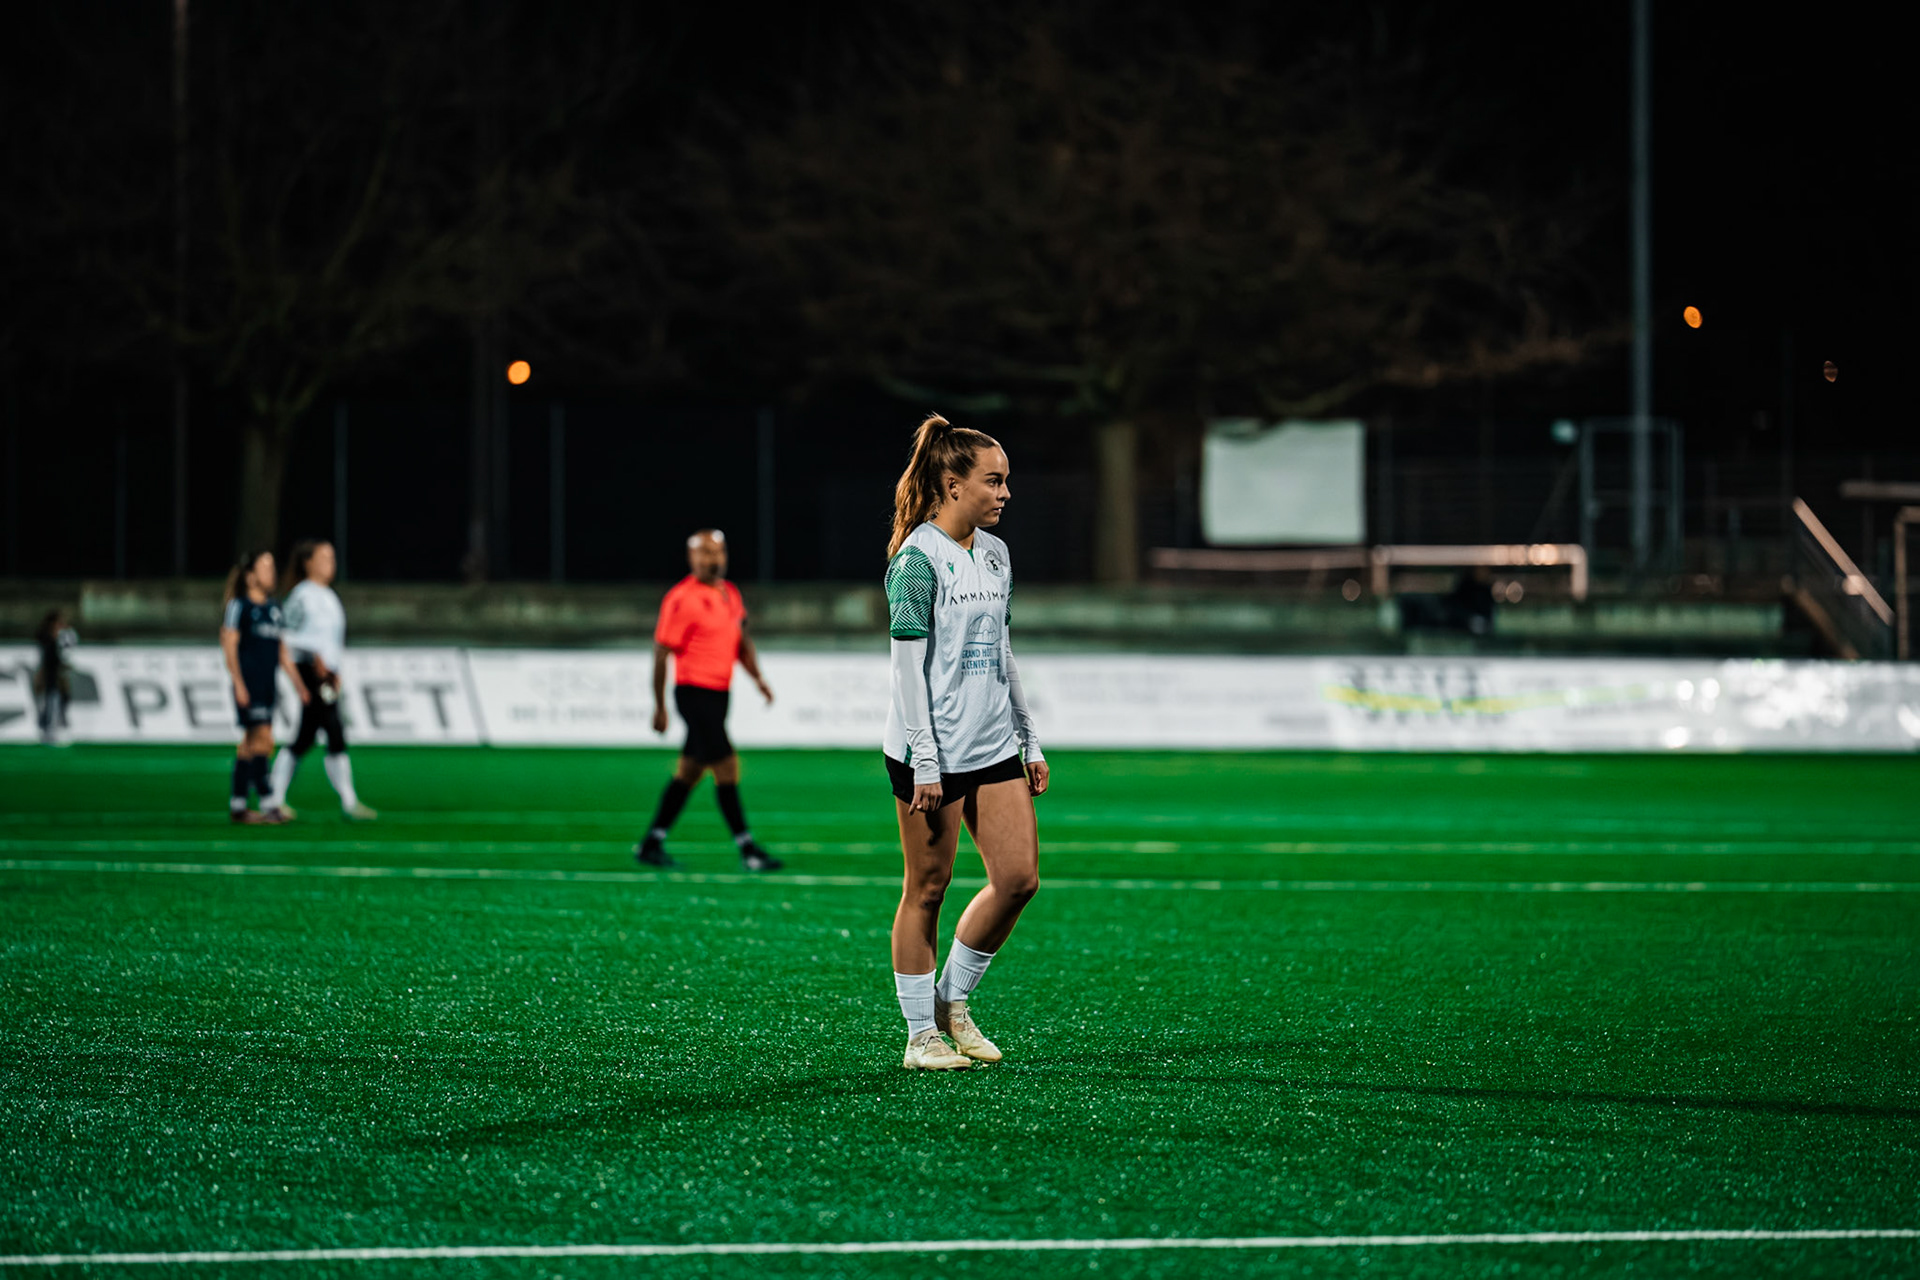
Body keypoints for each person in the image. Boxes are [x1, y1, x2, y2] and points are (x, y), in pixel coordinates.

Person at [883, 414, 1047, 1071]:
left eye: (1007, 481)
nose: (1005, 493)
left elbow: (1002, 652)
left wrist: (1028, 739)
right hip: (932, 753)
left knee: (1018, 880)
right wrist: (925, 759)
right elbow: (906, 674)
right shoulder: (917, 561)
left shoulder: (998, 553)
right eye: (994, 481)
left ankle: (952, 1002)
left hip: (992, 746)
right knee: (927, 887)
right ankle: (921, 1036)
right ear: (953, 486)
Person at [632, 529, 782, 872]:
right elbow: (661, 653)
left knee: (689, 771)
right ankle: (748, 849)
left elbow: (741, 643)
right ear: (691, 558)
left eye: (716, 552)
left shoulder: (730, 594)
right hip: (693, 693)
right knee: (727, 766)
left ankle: (651, 842)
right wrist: (659, 705)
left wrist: (758, 679)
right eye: (703, 553)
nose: (711, 559)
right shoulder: (681, 598)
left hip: (719, 694)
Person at [268, 539, 377, 820]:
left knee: (306, 736)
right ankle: (349, 802)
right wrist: (313, 665)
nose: (331, 563)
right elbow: (287, 635)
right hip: (310, 671)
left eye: (332, 558)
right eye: (324, 558)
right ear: (308, 563)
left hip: (326, 676)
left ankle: (276, 798)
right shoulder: (302, 596)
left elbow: (333, 642)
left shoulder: (328, 596)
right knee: (333, 727)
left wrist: (335, 671)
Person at [219, 550, 307, 824]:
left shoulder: (274, 609)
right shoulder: (240, 607)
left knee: (249, 745)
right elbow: (229, 645)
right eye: (265, 567)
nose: (271, 572)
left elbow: (282, 652)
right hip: (249, 684)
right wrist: (238, 683)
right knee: (263, 741)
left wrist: (298, 684)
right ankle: (270, 804)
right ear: (250, 576)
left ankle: (239, 805)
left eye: (272, 566)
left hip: (268, 686)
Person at [33, 608, 77, 746]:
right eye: (59, 622)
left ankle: (55, 728)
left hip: (58, 676)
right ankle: (50, 731)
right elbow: (47, 661)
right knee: (51, 702)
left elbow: (67, 652)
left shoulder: (61, 638)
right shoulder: (47, 639)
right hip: (51, 676)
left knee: (61, 701)